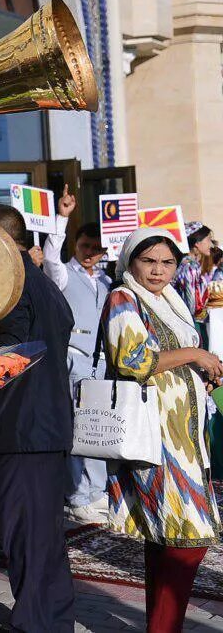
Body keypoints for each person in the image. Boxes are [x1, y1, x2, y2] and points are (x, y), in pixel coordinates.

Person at [102, 228, 222, 633]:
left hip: (184, 436)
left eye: (166, 262)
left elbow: (172, 362)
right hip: (156, 437)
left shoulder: (170, 301)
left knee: (166, 541)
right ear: (131, 262)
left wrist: (200, 373)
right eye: (148, 261)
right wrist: (195, 354)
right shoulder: (124, 297)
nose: (157, 270)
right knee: (189, 538)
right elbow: (134, 360)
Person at [0, 204, 76, 633]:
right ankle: (51, 620)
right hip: (47, 426)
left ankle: (34, 625)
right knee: (44, 537)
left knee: (26, 535)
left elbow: (9, 352)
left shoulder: (11, 280)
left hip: (22, 428)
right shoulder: (42, 282)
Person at [40, 186, 112, 525]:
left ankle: (96, 490)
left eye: (96, 249)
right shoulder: (64, 272)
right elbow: (51, 257)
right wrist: (62, 217)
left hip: (100, 363)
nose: (90, 254)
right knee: (78, 428)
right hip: (73, 358)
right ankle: (78, 494)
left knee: (98, 427)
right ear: (76, 244)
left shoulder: (108, 281)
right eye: (85, 247)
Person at [174, 221, 220, 322]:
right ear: (197, 243)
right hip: (189, 323)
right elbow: (193, 308)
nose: (211, 245)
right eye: (208, 240)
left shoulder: (183, 263)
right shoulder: (190, 267)